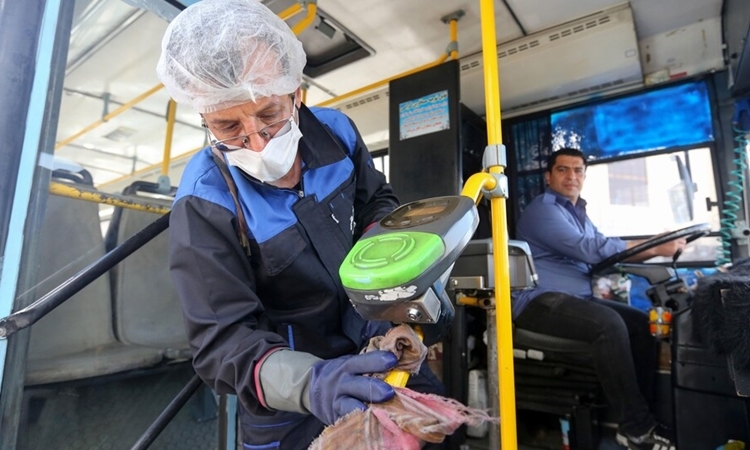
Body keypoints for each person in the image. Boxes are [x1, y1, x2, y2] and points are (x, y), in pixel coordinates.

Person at [156, 0, 444, 448]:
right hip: (288, 397)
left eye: (269, 114)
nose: (256, 141)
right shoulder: (204, 200)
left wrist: (393, 307)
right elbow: (221, 341)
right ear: (204, 117)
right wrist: (311, 383)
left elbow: (377, 206)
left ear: (296, 92)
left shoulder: (337, 133)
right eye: (227, 126)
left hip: (379, 342)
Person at [513, 148, 685, 450]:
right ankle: (637, 428)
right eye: (563, 170)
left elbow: (602, 252)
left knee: (639, 323)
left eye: (578, 170)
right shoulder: (543, 208)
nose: (572, 176)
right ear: (549, 176)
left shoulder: (579, 214)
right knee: (608, 323)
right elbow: (589, 249)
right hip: (538, 302)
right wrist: (656, 247)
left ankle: (636, 420)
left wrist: (649, 249)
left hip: (574, 298)